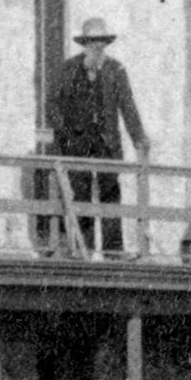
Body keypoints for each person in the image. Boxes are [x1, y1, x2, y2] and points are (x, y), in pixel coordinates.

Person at [46, 17, 148, 254]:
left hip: (107, 145)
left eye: (100, 43)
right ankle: (84, 249)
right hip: (78, 144)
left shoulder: (116, 70)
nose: (97, 47)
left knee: (110, 194)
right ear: (85, 45)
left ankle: (113, 252)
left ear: (105, 44)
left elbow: (127, 106)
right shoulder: (69, 68)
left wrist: (139, 139)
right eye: (92, 43)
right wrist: (66, 132)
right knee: (81, 196)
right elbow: (52, 103)